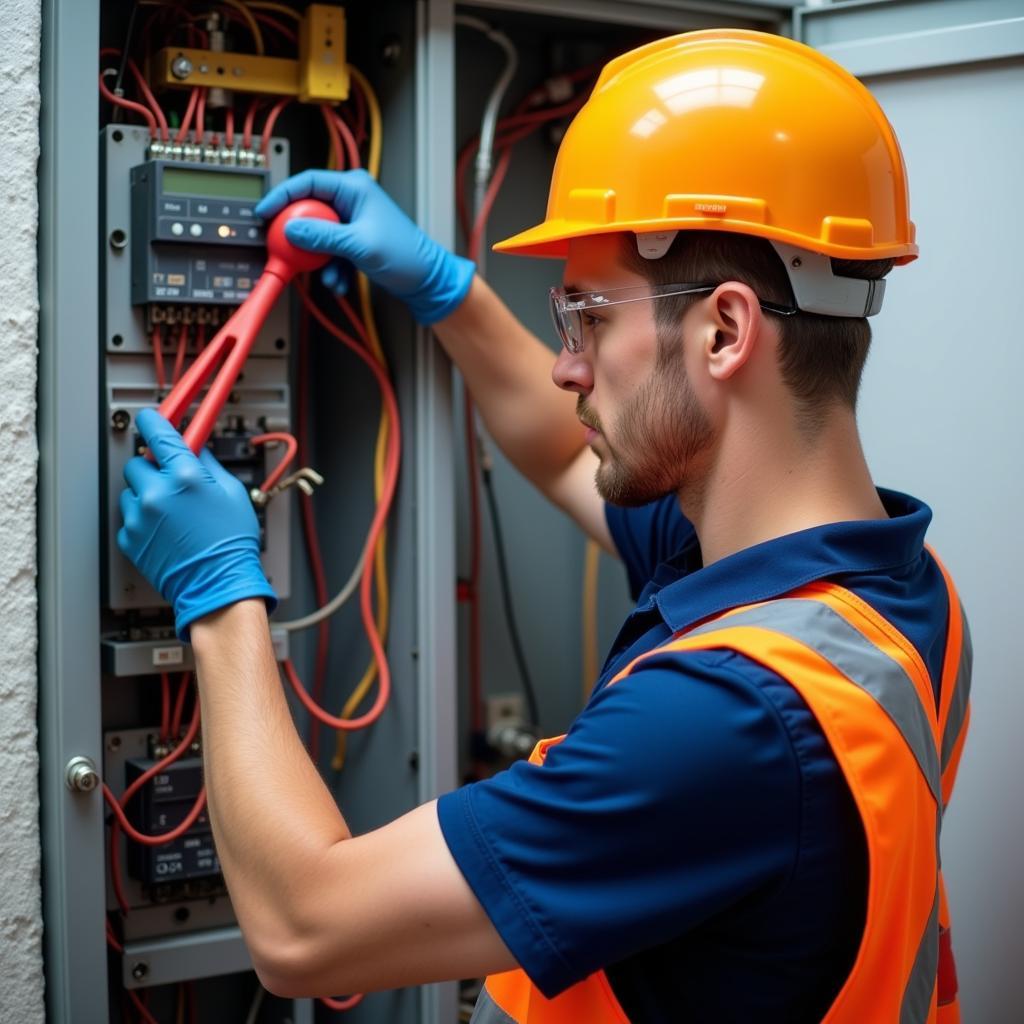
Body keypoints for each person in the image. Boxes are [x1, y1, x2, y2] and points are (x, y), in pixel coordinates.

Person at [118, 29, 971, 1024]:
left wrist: (220, 594)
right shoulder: (898, 596)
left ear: (725, 332)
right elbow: (573, 455)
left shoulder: (729, 722)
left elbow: (304, 926)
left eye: (591, 320)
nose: (569, 368)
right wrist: (442, 286)